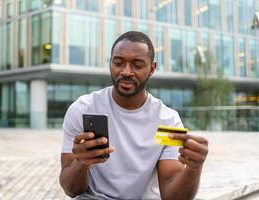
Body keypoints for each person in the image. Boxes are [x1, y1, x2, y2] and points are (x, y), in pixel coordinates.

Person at [59, 31, 208, 200]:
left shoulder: (168, 121)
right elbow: (71, 190)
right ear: (110, 63)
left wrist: (194, 169)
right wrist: (81, 163)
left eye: (137, 65)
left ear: (152, 68)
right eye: (118, 63)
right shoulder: (83, 108)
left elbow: (171, 195)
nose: (126, 71)